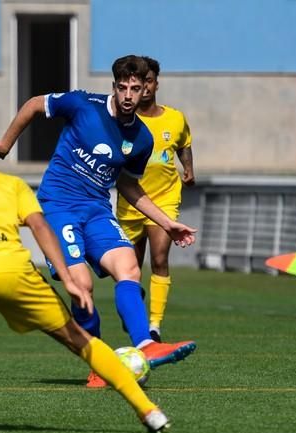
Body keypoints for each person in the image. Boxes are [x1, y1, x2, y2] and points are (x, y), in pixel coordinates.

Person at [0, 124, 171, 433]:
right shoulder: (11, 185)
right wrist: (66, 277)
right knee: (78, 338)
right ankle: (149, 412)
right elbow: (40, 227)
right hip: (14, 274)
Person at [0, 55, 197, 388]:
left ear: (146, 89)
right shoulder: (83, 105)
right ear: (113, 87)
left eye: (136, 88)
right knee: (81, 286)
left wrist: (167, 223)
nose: (129, 95)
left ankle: (146, 343)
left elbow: (129, 185)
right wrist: (4, 146)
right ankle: (98, 363)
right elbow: (32, 105)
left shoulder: (142, 139)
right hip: (57, 207)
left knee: (129, 267)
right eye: (123, 88)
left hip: (97, 210)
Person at [115, 57, 195, 343]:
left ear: (156, 83)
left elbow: (184, 144)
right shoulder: (121, 121)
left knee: (159, 258)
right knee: (128, 270)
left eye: (148, 81)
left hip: (164, 199)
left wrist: (188, 168)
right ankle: (135, 307)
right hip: (130, 201)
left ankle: (154, 326)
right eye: (140, 83)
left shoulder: (174, 118)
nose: (144, 87)